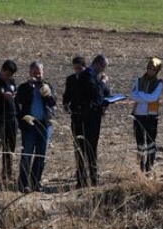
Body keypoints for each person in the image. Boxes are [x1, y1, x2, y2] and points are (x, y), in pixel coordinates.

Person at [15, 61, 57, 193]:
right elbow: (18, 103)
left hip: (45, 125)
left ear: (43, 73)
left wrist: (48, 94)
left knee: (41, 156)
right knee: (27, 154)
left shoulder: (48, 86)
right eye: (34, 73)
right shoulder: (24, 87)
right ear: (30, 73)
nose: (37, 76)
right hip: (29, 126)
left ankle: (35, 182)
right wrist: (29, 87)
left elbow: (53, 103)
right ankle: (23, 183)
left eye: (39, 73)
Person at [75, 54, 110, 187]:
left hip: (94, 117)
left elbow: (105, 91)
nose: (104, 70)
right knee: (85, 148)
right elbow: (95, 93)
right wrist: (103, 83)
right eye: (104, 67)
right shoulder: (87, 75)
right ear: (98, 64)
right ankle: (83, 180)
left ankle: (94, 178)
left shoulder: (95, 76)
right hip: (86, 118)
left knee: (92, 148)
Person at [129, 57, 163, 172]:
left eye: (153, 69)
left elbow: (153, 97)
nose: (150, 71)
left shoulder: (159, 83)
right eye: (149, 68)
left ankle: (149, 167)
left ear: (157, 71)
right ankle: (141, 167)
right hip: (138, 115)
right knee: (140, 143)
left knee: (150, 143)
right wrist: (144, 97)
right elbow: (132, 95)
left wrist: (140, 95)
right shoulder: (138, 80)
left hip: (151, 116)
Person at [63, 56, 89, 187]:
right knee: (78, 149)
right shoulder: (71, 79)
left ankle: (90, 177)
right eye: (75, 69)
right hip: (75, 117)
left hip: (88, 119)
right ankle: (80, 178)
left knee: (88, 148)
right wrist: (66, 104)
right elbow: (66, 95)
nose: (77, 71)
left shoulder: (89, 78)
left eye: (79, 68)